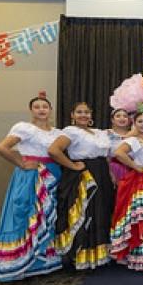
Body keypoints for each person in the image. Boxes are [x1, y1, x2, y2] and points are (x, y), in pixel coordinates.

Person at [0, 93, 63, 281]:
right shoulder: (24, 128)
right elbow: (2, 147)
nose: (41, 110)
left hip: (52, 175)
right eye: (37, 106)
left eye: (45, 106)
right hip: (31, 176)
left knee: (47, 217)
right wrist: (21, 163)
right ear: (31, 110)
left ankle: (44, 260)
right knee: (26, 214)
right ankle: (21, 262)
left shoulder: (57, 132)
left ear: (50, 110)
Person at [48, 102, 114, 270]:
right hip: (85, 175)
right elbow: (54, 150)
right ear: (73, 115)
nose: (83, 115)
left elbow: (106, 156)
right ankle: (81, 254)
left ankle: (99, 254)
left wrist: (111, 176)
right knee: (87, 212)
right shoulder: (71, 131)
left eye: (86, 112)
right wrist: (72, 165)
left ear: (91, 115)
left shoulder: (99, 132)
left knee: (102, 211)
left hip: (102, 174)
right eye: (79, 112)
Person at [110, 111, 143, 272]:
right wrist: (135, 166)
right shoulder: (133, 140)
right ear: (134, 124)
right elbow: (118, 153)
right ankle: (140, 256)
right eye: (140, 121)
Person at [106, 108, 131, 184]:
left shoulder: (134, 134)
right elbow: (106, 156)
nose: (122, 118)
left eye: (125, 116)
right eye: (118, 116)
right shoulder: (107, 133)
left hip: (131, 168)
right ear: (112, 120)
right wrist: (110, 173)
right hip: (113, 168)